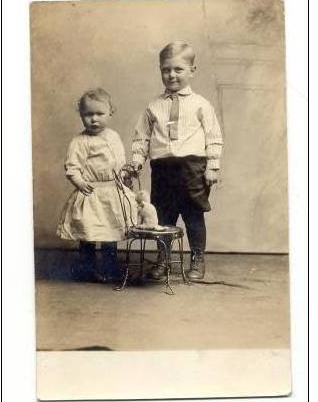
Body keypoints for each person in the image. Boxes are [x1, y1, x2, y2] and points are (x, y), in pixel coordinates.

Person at [131, 41, 223, 281]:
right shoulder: (154, 107)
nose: (171, 75)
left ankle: (197, 258)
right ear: (160, 70)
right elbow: (142, 137)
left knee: (193, 216)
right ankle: (163, 260)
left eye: (178, 69)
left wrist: (213, 166)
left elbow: (214, 137)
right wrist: (137, 161)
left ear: (192, 70)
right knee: (163, 218)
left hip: (192, 168)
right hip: (162, 169)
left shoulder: (201, 104)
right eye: (166, 69)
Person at [57, 87, 136, 282]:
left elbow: (118, 161)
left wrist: (126, 174)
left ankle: (110, 268)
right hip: (92, 192)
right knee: (89, 231)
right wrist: (80, 182)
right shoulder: (80, 141)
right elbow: (72, 167)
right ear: (81, 115)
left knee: (110, 232)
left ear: (110, 113)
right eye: (88, 114)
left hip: (112, 192)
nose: (94, 119)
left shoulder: (114, 136)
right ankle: (87, 268)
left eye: (99, 114)